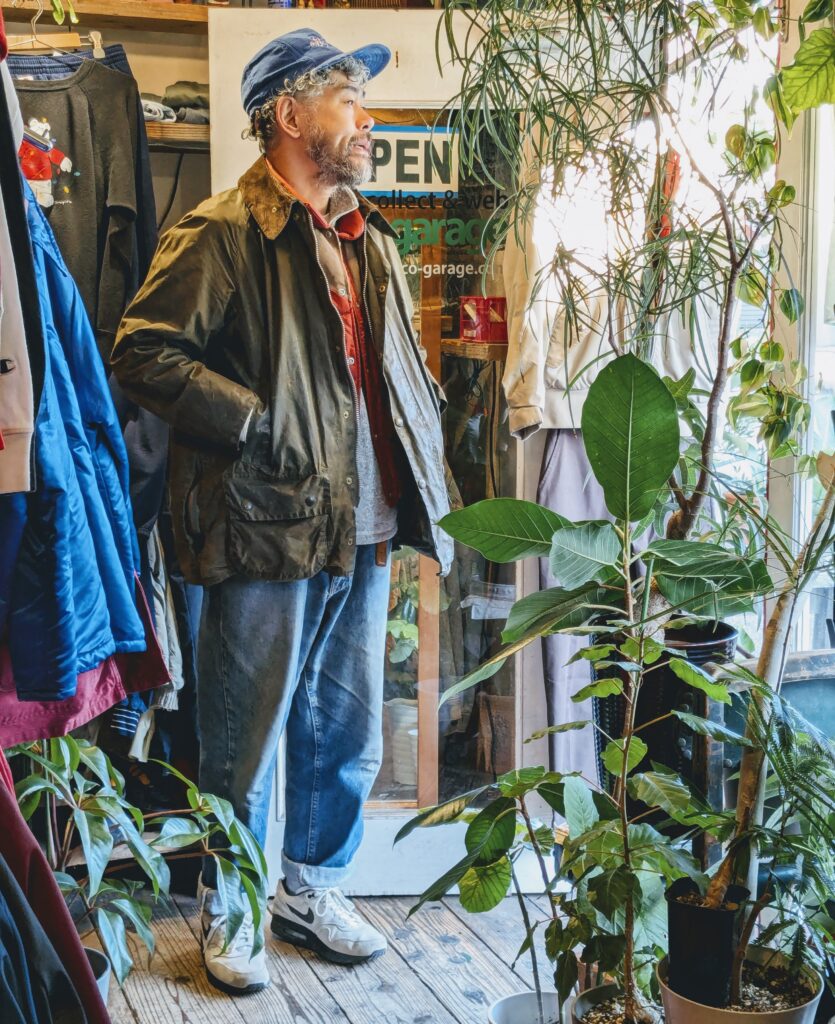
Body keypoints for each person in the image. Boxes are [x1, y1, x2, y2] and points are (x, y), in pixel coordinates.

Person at [111, 28, 452, 996]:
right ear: (290, 114)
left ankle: (310, 888)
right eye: (348, 99)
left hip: (363, 523)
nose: (367, 118)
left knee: (343, 729)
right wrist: (254, 421)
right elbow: (142, 352)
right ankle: (232, 899)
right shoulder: (226, 231)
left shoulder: (366, 237)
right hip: (265, 524)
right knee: (244, 732)